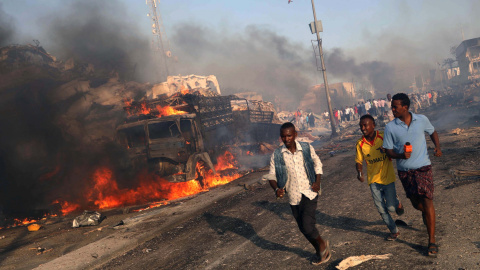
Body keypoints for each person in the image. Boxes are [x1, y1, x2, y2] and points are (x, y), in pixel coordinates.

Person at [383, 93, 442, 257]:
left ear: (405, 107)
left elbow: (433, 132)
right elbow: (388, 150)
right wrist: (400, 156)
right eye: (392, 106)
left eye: (395, 107)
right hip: (405, 171)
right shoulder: (390, 127)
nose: (392, 109)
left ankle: (432, 241)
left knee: (428, 201)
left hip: (423, 167)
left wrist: (437, 147)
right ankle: (427, 216)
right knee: (418, 205)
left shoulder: (421, 119)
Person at [264, 122, 331, 265]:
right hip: (293, 196)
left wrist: (317, 182)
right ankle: (319, 250)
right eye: (283, 136)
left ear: (295, 135)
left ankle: (322, 244)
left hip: (309, 192)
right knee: (303, 228)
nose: (286, 139)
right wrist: (277, 189)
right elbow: (271, 176)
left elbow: (317, 163)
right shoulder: (277, 154)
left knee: (307, 225)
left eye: (289, 135)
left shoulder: (306, 148)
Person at [355, 115, 404, 240]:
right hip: (373, 181)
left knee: (391, 208)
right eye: (361, 126)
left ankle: (396, 202)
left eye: (365, 125)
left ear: (373, 125)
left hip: (387, 178)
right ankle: (394, 231)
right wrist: (360, 173)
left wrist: (387, 150)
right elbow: (359, 161)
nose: (363, 128)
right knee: (381, 208)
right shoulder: (360, 144)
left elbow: (396, 148)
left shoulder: (383, 136)